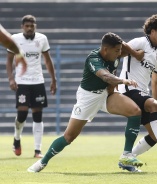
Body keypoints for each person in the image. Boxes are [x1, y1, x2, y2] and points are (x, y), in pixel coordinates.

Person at [27, 32, 145, 173]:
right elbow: (105, 76)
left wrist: (136, 53)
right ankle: (42, 162)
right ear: (106, 49)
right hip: (88, 98)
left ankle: (126, 156)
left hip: (106, 95)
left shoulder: (115, 52)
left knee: (135, 111)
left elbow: (126, 46)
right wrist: (122, 80)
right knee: (69, 137)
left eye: (120, 50)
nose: (120, 53)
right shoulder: (93, 58)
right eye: (117, 51)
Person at [117, 14, 157, 172]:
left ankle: (127, 158)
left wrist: (156, 107)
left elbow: (156, 81)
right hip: (128, 89)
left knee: (154, 135)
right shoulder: (139, 42)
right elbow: (119, 48)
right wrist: (134, 53)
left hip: (142, 93)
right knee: (153, 111)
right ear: (151, 31)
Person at [6, 15, 57, 158]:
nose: (29, 28)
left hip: (38, 81)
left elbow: (47, 60)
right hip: (22, 81)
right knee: (22, 114)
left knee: (38, 115)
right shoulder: (15, 39)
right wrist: (11, 79)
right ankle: (17, 138)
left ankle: (37, 150)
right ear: (22, 27)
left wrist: (53, 79)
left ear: (35, 26)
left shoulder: (42, 39)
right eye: (27, 26)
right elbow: (9, 61)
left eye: (32, 26)